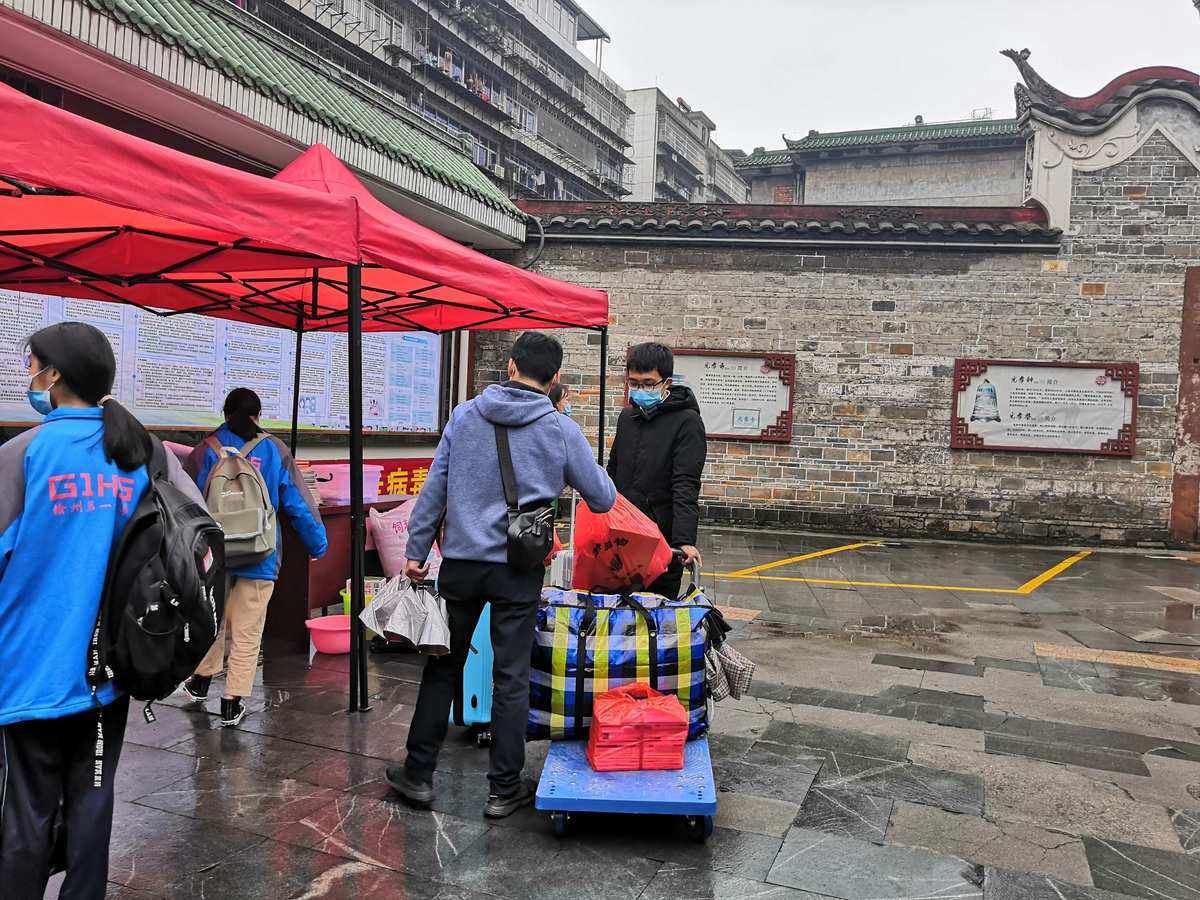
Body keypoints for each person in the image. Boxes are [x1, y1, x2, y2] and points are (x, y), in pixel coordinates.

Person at [0, 322, 205, 898]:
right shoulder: (143, 452)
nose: (28, 375)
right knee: (92, 806)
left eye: (31, 364)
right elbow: (197, 536)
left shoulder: (24, 454)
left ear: (54, 374)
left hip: (27, 670)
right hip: (109, 670)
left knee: (25, 817)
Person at [392, 331, 616, 818]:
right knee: (511, 676)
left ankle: (418, 774)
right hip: (518, 568)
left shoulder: (464, 416)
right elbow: (603, 498)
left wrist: (415, 550)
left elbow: (435, 487)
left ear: (511, 366)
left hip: (461, 564)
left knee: (442, 665)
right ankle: (503, 789)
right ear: (554, 378)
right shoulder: (559, 428)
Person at [181, 388, 328, 727]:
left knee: (213, 618)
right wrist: (318, 545)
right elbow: (297, 503)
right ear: (258, 416)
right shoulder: (274, 449)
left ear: (225, 412)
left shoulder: (205, 450)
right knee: (247, 628)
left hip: (214, 555)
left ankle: (201, 680)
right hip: (260, 553)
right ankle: (232, 701)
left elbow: (185, 502)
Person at [607, 342, 707, 600]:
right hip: (622, 537)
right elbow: (613, 470)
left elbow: (686, 483)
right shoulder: (627, 418)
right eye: (634, 383)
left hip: (661, 540)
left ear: (666, 383)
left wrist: (684, 540)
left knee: (654, 614)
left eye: (649, 383)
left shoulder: (687, 422)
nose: (640, 390)